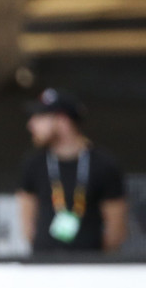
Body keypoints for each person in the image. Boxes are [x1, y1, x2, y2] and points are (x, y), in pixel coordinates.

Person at [17, 88, 128, 256]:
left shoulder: (104, 165)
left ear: (62, 120)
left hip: (90, 269)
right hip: (43, 268)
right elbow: (27, 222)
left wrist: (95, 261)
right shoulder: (33, 164)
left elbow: (116, 229)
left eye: (40, 117)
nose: (31, 124)